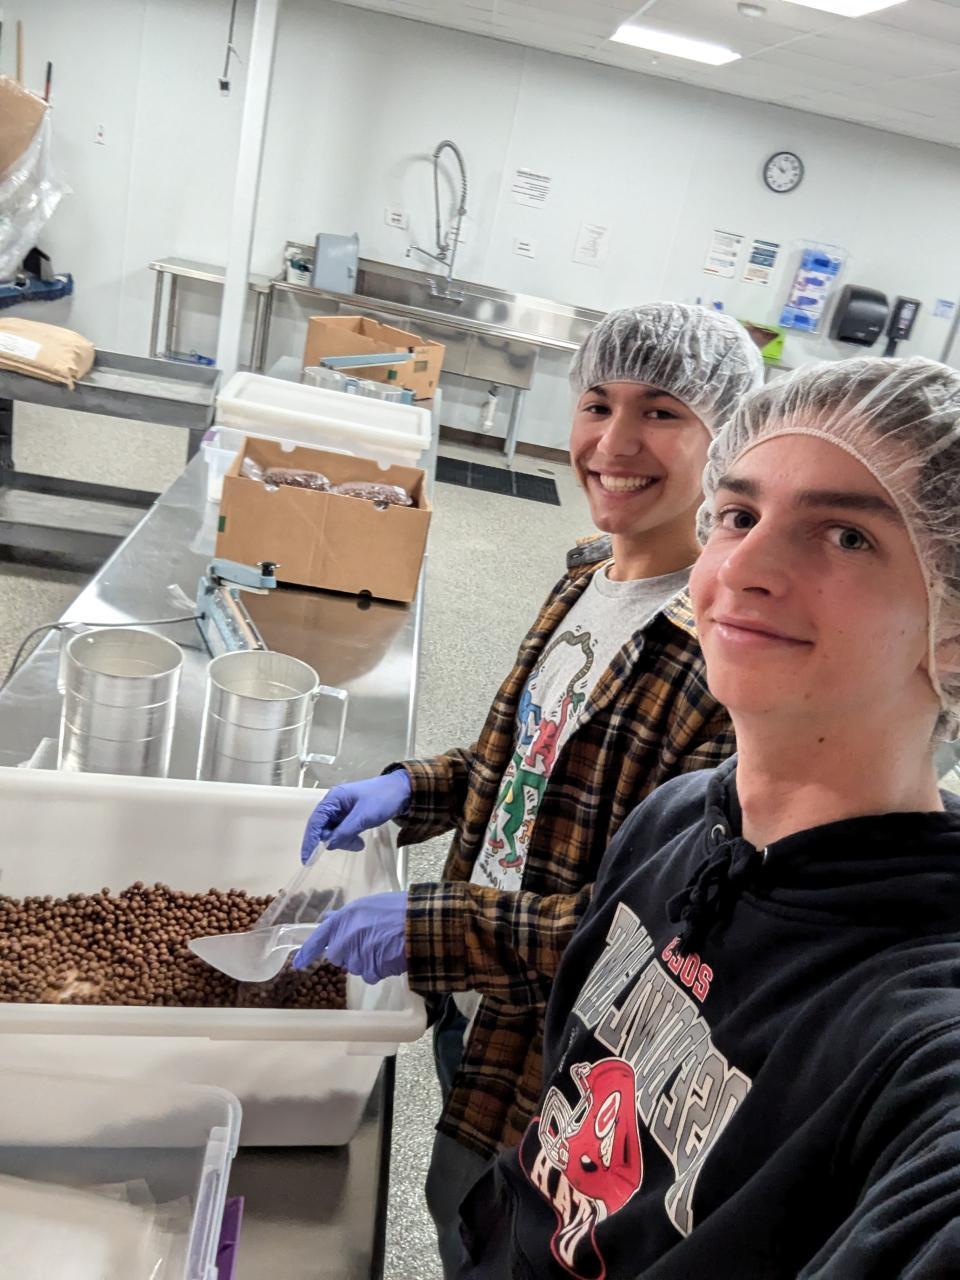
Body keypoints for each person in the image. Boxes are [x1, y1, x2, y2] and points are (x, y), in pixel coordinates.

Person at [440, 354, 960, 1277]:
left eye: (846, 536)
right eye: (739, 515)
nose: (743, 568)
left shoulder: (914, 1020)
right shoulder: (679, 819)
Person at [296, 304, 763, 1274]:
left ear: (725, 437)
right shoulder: (585, 578)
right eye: (597, 404)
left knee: (499, 1232)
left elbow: (657, 936)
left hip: (556, 1061)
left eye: (662, 412)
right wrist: (407, 790)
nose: (614, 443)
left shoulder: (717, 661)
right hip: (470, 1002)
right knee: (447, 1197)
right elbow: (517, 764)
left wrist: (436, 925)